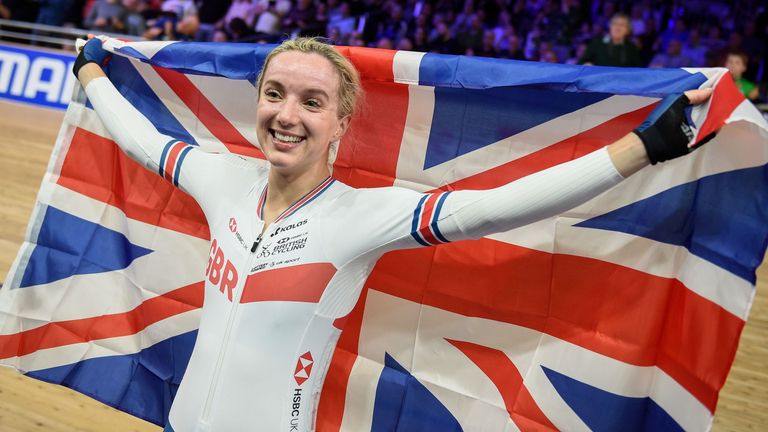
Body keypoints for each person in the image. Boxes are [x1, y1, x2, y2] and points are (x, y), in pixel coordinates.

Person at [73, 36, 713, 431]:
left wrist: (642, 147)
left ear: (341, 122)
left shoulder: (361, 216)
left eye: (312, 102)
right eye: (275, 94)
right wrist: (91, 72)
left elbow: (495, 207)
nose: (287, 116)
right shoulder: (221, 180)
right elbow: (143, 140)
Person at [579, 12, 643, 67]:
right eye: (615, 23)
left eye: (622, 25)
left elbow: (639, 71)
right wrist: (586, 64)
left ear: (628, 30)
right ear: (610, 26)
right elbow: (581, 63)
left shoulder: (632, 48)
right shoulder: (597, 43)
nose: (617, 27)